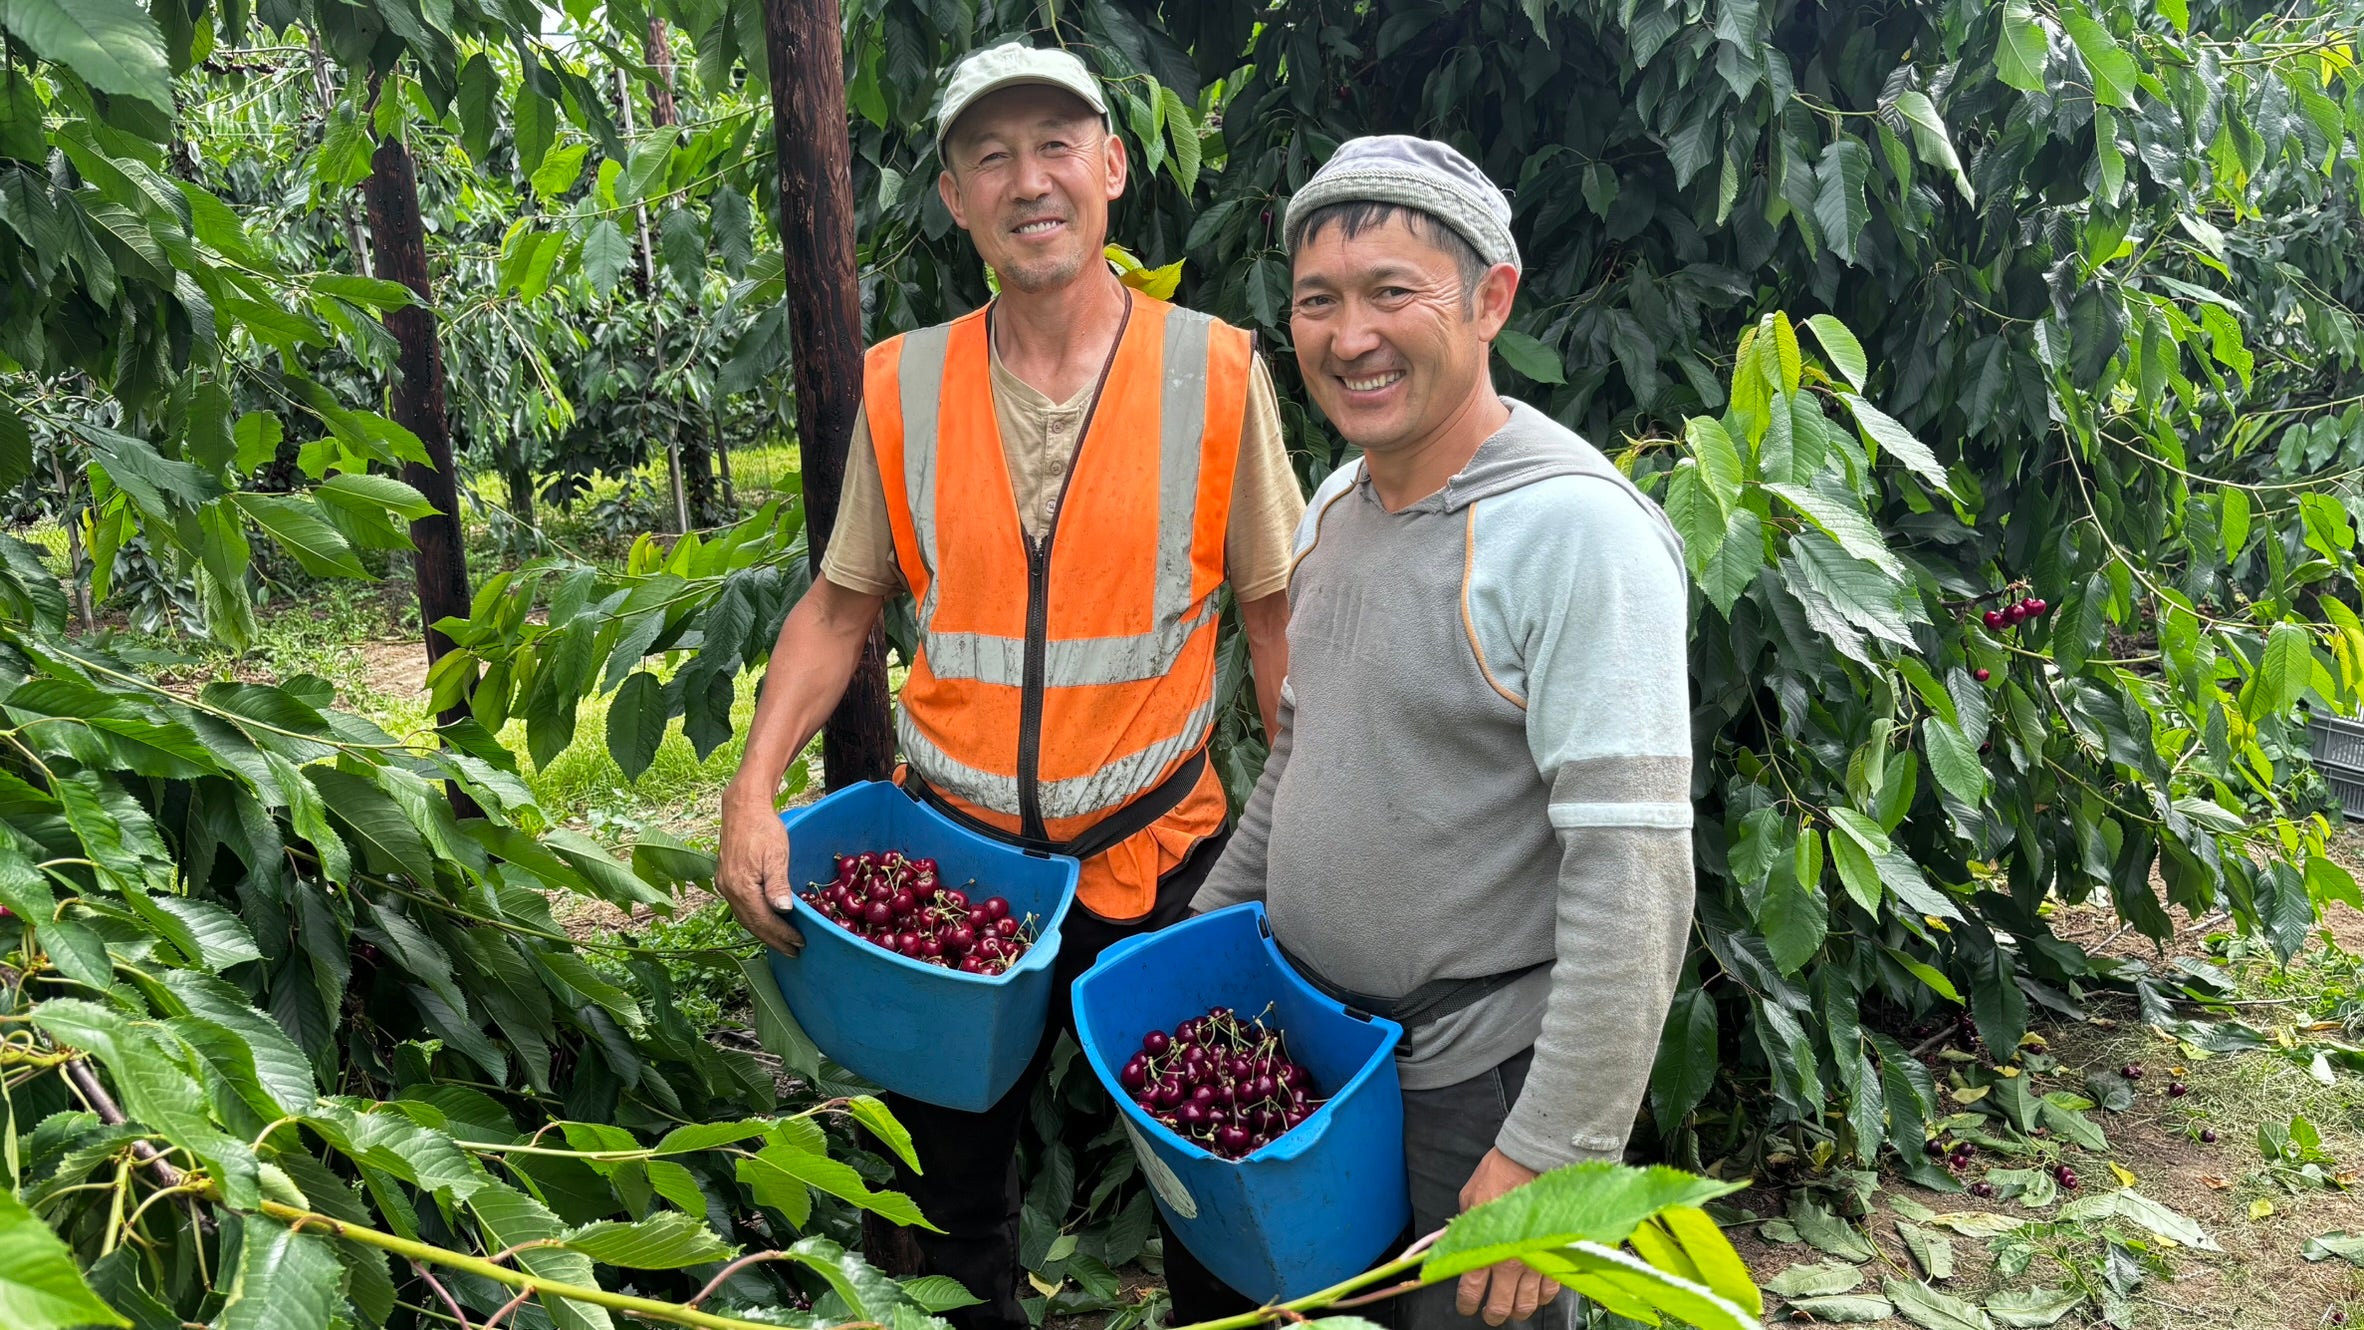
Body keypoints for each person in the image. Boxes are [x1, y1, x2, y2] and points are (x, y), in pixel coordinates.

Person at [713, 41, 1299, 1330]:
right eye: (992, 155)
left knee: (1216, 1195)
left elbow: (1279, 621)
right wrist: (751, 793)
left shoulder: (1214, 371)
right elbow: (837, 607)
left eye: (1054, 146)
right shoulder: (906, 384)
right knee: (942, 1203)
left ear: (1112, 167)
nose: (1029, 179)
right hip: (958, 876)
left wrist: (1301, 832)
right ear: (953, 196)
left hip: (1165, 857)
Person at [1191, 137, 1696, 1330]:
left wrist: (1555, 1147)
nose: (1349, 335)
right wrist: (1206, 943)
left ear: (1490, 299)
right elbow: (1306, 760)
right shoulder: (1334, 506)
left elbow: (1636, 876)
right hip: (1318, 1053)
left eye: (1389, 293)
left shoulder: (1576, 536)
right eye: (1318, 300)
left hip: (1480, 1081)